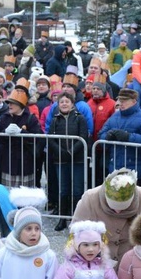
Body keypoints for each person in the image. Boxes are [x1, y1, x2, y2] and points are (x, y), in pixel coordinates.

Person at [99, 88, 141, 188]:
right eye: (120, 100)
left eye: (124, 101)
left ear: (134, 101)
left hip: (136, 169)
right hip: (115, 168)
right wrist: (107, 137)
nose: (121, 103)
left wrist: (128, 137)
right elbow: (101, 135)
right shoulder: (114, 116)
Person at [48, 91, 89, 231]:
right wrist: (60, 151)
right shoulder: (55, 119)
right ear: (58, 104)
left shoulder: (80, 118)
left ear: (72, 104)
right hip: (60, 159)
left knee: (77, 190)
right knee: (63, 190)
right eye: (61, 102)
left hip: (77, 159)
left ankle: (77, 219)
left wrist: (71, 151)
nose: (64, 104)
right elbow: (51, 138)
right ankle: (62, 219)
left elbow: (83, 136)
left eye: (67, 101)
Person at [0, 78, 43, 187]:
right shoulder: (4, 117)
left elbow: (38, 138)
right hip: (8, 161)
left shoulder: (30, 118)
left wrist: (22, 132)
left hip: (25, 162)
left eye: (13, 103)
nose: (10, 105)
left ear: (21, 105)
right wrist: (4, 132)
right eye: (9, 103)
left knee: (24, 194)